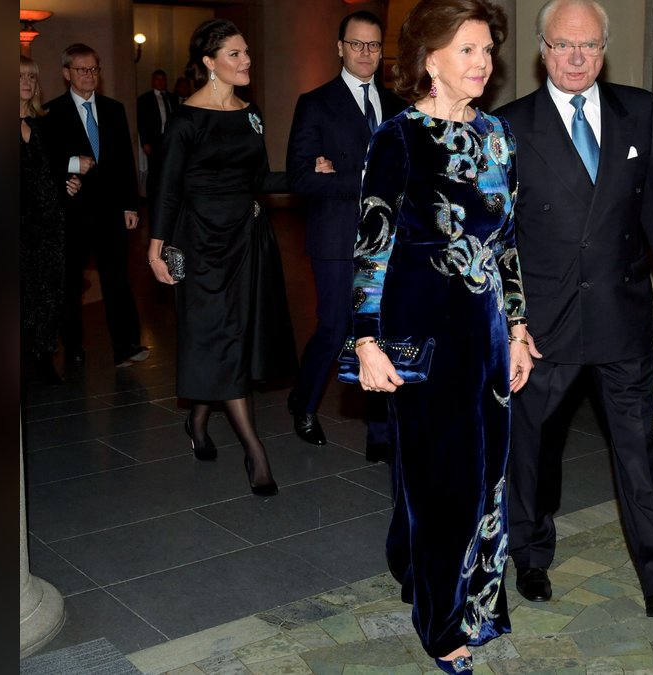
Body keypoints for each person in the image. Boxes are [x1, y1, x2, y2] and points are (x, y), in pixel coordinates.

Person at [493, 0, 653, 620]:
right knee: (531, 447)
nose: (577, 57)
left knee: (639, 449)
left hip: (620, 314)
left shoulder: (638, 111)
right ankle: (530, 555)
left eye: (588, 45)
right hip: (542, 322)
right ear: (542, 49)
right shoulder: (508, 126)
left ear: (604, 49)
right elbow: (499, 235)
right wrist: (510, 320)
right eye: (563, 45)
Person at [351, 1, 530, 671]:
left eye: (487, 50)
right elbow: (372, 244)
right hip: (420, 330)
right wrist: (366, 340)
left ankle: (467, 592)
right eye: (467, 50)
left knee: (485, 477)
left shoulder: (500, 136)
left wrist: (517, 329)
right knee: (440, 484)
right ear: (430, 60)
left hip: (484, 334)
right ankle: (441, 621)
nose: (482, 62)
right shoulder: (398, 138)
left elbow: (508, 242)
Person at [147, 18, 297, 497]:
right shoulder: (186, 119)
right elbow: (165, 188)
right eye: (234, 54)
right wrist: (157, 247)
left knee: (231, 339)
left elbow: (257, 178)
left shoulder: (251, 114)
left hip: (245, 242)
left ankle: (197, 418)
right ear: (209, 63)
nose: (246, 60)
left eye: (246, 52)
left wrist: (307, 174)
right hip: (200, 245)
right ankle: (255, 452)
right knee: (218, 337)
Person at [285, 10, 407, 457]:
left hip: (389, 242)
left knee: (381, 331)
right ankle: (304, 400)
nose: (365, 53)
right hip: (335, 239)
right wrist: (360, 180)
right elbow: (299, 177)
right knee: (336, 327)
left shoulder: (397, 106)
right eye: (356, 44)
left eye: (374, 45)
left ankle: (380, 434)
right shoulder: (315, 103)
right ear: (340, 48)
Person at [42, 43, 150, 368]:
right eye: (82, 69)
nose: (89, 75)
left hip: (110, 211)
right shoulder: (51, 113)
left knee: (117, 277)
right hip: (72, 212)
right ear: (66, 74)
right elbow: (45, 162)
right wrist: (70, 168)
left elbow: (125, 162)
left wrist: (131, 205)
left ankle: (126, 346)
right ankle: (73, 346)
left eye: (94, 69)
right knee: (71, 282)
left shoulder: (113, 109)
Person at [20, 54, 81, 385]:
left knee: (48, 289)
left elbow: (59, 167)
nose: (27, 83)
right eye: (19, 77)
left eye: (31, 77)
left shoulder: (47, 122)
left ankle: (44, 356)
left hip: (49, 219)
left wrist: (72, 181)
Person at [137, 69, 174, 202]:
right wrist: (145, 142)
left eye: (163, 79)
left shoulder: (172, 97)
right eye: (157, 79)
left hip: (170, 140)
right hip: (154, 141)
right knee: (154, 172)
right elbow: (141, 122)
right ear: (153, 81)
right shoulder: (145, 99)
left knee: (170, 170)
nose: (160, 82)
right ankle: (153, 199)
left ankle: (168, 197)